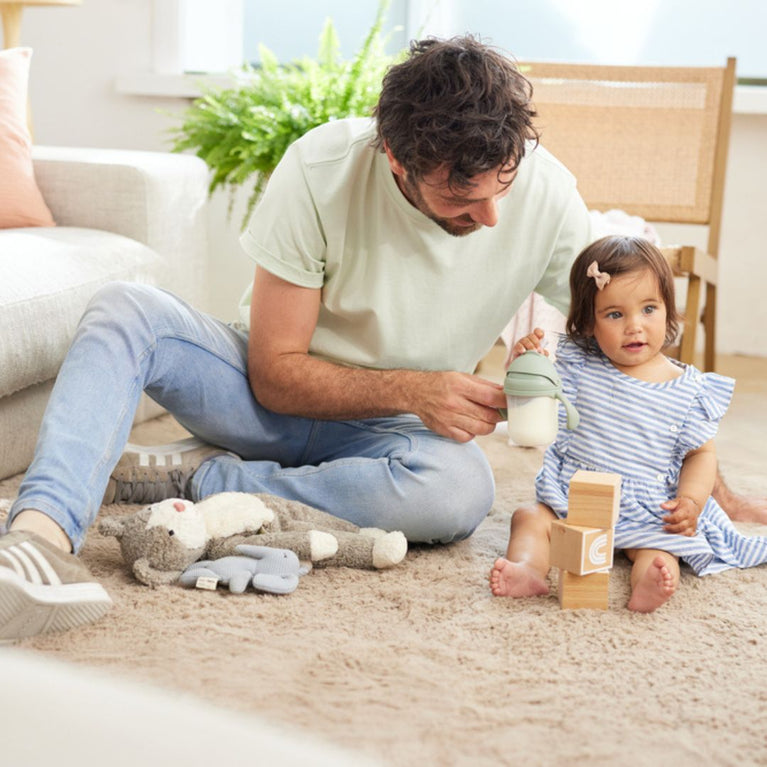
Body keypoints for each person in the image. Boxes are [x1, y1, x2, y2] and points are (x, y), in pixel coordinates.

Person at [0, 36, 596, 642]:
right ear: (395, 156)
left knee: (462, 490)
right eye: (461, 196)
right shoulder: (321, 169)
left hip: (395, 430)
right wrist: (417, 389)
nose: (492, 215)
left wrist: (668, 442)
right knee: (125, 309)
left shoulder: (549, 192)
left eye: (503, 185)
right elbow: (275, 373)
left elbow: (615, 320)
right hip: (267, 400)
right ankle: (39, 539)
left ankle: (199, 478)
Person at [489, 235, 767, 612]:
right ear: (588, 323)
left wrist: (690, 501)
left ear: (669, 310)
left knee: (657, 549)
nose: (634, 326)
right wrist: (529, 362)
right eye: (615, 314)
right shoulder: (579, 365)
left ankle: (649, 583)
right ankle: (528, 568)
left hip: (647, 507)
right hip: (572, 498)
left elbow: (701, 455)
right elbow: (535, 397)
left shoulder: (687, 390)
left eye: (649, 309)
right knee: (529, 518)